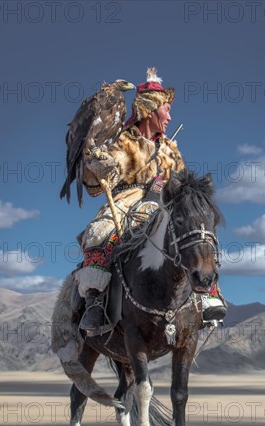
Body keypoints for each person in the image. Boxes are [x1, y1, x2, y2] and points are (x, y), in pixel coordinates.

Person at [74, 68, 227, 334]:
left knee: (196, 230)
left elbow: (181, 183)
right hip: (126, 199)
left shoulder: (171, 147)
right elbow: (95, 182)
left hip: (165, 202)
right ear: (151, 110)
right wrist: (97, 165)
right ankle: (95, 302)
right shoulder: (122, 140)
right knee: (99, 233)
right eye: (166, 109)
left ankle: (208, 294)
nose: (169, 116)